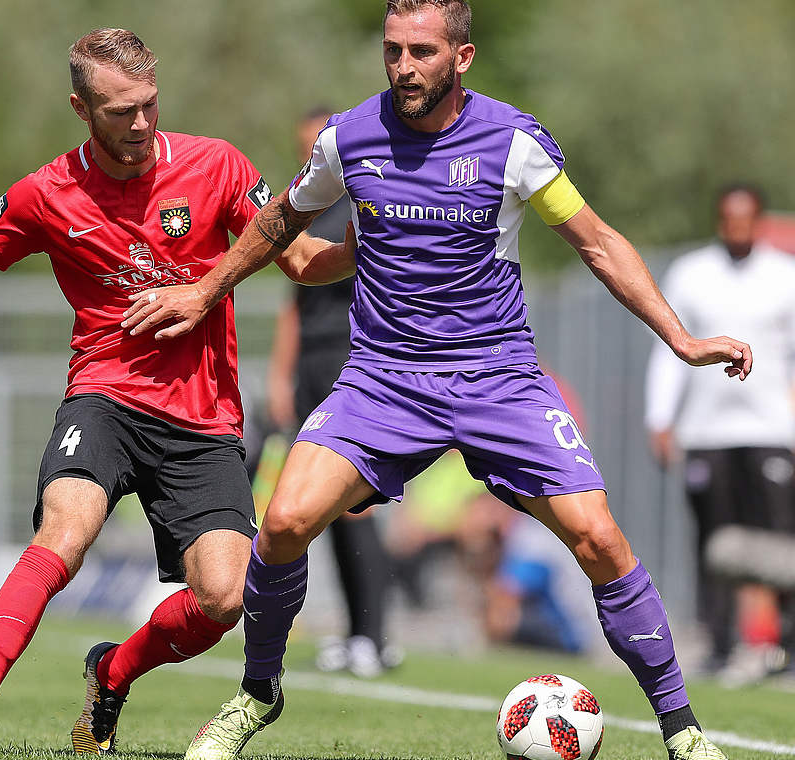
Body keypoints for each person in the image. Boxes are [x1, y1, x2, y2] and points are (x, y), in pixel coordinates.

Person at [133, 3, 752, 758]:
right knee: (287, 521)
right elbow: (280, 222)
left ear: (462, 58)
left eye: (421, 51)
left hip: (498, 378)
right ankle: (256, 695)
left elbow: (597, 243)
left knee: (599, 539)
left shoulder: (513, 143)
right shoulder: (349, 137)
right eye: (392, 50)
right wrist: (206, 290)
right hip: (383, 381)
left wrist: (681, 339)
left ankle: (682, 732)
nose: (403, 67)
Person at [0, 28, 343, 756]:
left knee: (222, 598)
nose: (142, 123)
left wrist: (379, 236)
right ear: (81, 108)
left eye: (149, 104)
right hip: (104, 398)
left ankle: (113, 671)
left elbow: (305, 262)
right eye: (121, 111)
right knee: (65, 532)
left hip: (203, 419)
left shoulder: (217, 166)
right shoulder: (47, 193)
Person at [644, 184, 795, 680]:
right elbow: (671, 349)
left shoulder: (791, 277)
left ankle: (791, 647)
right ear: (719, 220)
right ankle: (719, 643)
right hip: (708, 431)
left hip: (772, 428)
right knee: (714, 542)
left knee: (781, 540)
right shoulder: (691, 274)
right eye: (729, 217)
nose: (738, 226)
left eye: (746, 217)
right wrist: (660, 417)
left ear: (760, 220)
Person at [265, 107, 398, 678]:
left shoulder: (368, 205)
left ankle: (373, 636)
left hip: (355, 363)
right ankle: (355, 634)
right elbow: (295, 305)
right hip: (312, 371)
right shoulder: (306, 208)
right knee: (321, 508)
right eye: (304, 146)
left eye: (317, 144)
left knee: (351, 506)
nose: (310, 156)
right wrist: (279, 376)